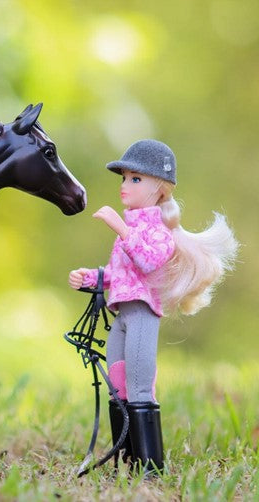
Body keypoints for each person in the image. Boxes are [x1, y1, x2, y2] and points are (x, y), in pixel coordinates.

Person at [68, 139, 238, 474]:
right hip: (121, 313)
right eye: (124, 178)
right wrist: (91, 278)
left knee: (140, 383)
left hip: (142, 313)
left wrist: (119, 226)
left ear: (159, 189)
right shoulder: (130, 228)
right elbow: (120, 274)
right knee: (118, 384)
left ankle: (149, 465)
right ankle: (125, 457)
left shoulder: (159, 231)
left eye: (134, 179)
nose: (124, 186)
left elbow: (147, 261)